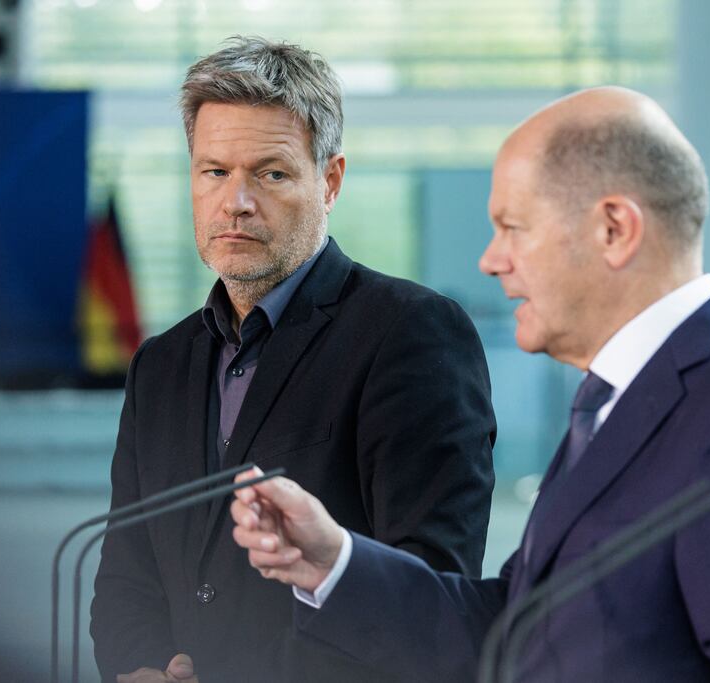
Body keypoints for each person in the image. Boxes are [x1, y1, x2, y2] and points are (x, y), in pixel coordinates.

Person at [230, 86, 710, 682]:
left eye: (513, 227)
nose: (491, 259)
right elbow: (514, 630)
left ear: (614, 230)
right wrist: (334, 563)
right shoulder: (610, 402)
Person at [90, 37, 497, 683]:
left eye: (271, 173)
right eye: (214, 171)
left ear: (329, 181)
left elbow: (429, 583)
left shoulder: (411, 332)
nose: (236, 201)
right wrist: (141, 665)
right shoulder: (159, 365)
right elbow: (126, 572)